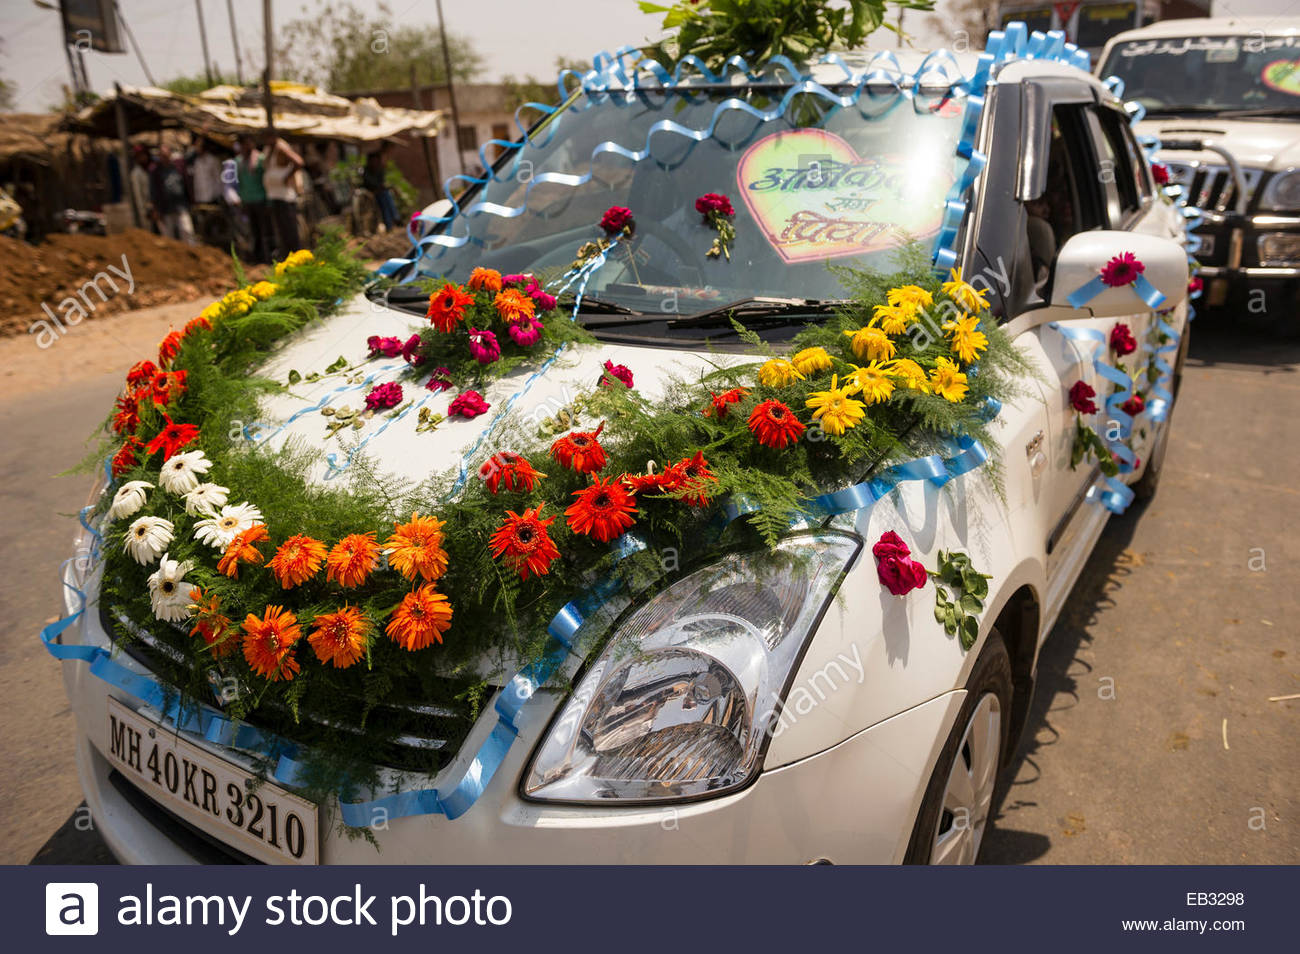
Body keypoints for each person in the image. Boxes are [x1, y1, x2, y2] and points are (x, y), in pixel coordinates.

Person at [263, 131, 305, 258]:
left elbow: (298, 162)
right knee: (282, 232)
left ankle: (297, 259)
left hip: (284, 197)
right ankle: (288, 259)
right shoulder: (268, 150)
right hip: (274, 196)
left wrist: (286, 178)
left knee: (290, 233)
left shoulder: (281, 148)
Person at [150, 143, 196, 244]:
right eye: (162, 156)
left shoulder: (178, 165)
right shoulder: (155, 171)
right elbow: (153, 190)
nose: (164, 158)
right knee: (168, 235)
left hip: (181, 204)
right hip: (165, 207)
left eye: (166, 155)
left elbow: (191, 156)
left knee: (187, 230)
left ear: (170, 154)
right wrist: (155, 208)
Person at [235, 135, 272, 263]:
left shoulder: (260, 159)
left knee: (265, 232)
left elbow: (266, 180)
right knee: (254, 232)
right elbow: (239, 182)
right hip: (247, 201)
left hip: (261, 200)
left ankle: (269, 258)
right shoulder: (239, 162)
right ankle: (258, 259)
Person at [362, 143, 399, 232]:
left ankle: (394, 218)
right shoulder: (366, 171)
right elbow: (369, 183)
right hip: (370, 192)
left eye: (376, 160)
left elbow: (381, 183)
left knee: (386, 196)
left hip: (380, 191)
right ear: (370, 161)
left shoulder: (379, 170)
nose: (374, 162)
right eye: (373, 160)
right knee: (384, 198)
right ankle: (392, 220)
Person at [129, 146, 153, 231]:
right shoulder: (136, 173)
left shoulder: (151, 169)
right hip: (146, 208)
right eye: (140, 156)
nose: (143, 157)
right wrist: (143, 211)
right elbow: (138, 195)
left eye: (144, 155)